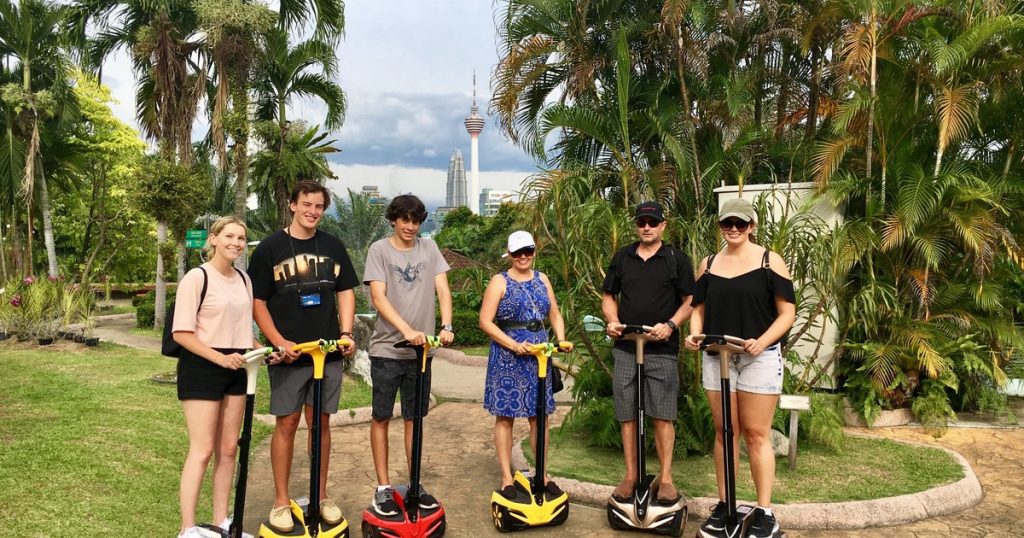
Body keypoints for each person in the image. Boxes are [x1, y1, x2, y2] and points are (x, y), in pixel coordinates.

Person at [248, 180, 358, 533]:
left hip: (327, 354)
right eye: (306, 204)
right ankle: (281, 501)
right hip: (289, 355)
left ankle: (320, 494)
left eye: (319, 207)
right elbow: (257, 302)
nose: (313, 212)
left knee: (321, 424)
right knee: (288, 424)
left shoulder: (333, 245)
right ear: (292, 205)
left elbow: (345, 293)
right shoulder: (269, 249)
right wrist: (278, 341)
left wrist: (346, 334)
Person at [684, 197, 796, 538]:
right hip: (717, 355)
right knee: (725, 432)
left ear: (752, 227)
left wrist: (762, 341)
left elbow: (787, 312)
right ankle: (725, 503)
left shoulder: (768, 261)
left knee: (756, 434)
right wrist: (694, 334)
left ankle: (764, 511)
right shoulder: (708, 263)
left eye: (741, 224)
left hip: (758, 356)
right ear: (719, 226)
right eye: (727, 224)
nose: (733, 229)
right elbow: (697, 308)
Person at [174, 216, 270, 538]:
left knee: (229, 448)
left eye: (241, 238)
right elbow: (182, 333)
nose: (236, 243)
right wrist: (219, 358)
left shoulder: (244, 279)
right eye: (229, 236)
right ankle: (187, 529)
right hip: (203, 367)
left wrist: (263, 349)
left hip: (237, 367)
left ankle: (221, 522)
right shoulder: (196, 277)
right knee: (202, 450)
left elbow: (244, 332)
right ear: (213, 239)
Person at [363, 194, 454, 517]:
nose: (411, 227)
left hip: (422, 354)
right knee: (382, 416)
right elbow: (378, 297)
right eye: (405, 220)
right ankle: (383, 487)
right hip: (388, 350)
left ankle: (415, 483)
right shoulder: (379, 250)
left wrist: (447, 325)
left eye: (416, 221)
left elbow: (442, 288)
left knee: (415, 418)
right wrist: (406, 331)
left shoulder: (429, 248)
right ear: (394, 220)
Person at [601, 201, 695, 505]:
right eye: (642, 221)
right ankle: (631, 475)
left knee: (662, 415)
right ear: (636, 224)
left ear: (663, 225)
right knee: (627, 414)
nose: (646, 227)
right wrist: (613, 320)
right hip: (627, 347)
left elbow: (690, 300)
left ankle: (666, 477)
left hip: (661, 349)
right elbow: (608, 296)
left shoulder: (676, 259)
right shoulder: (623, 257)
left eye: (652, 222)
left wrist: (671, 324)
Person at [479, 230, 570, 498]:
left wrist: (561, 339)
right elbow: (485, 321)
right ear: (509, 254)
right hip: (508, 356)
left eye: (528, 251)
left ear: (534, 251)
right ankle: (507, 477)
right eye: (518, 252)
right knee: (505, 417)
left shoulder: (542, 279)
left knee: (539, 417)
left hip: (539, 355)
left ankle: (541, 473)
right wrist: (513, 345)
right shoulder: (500, 281)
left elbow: (554, 312)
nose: (523, 257)